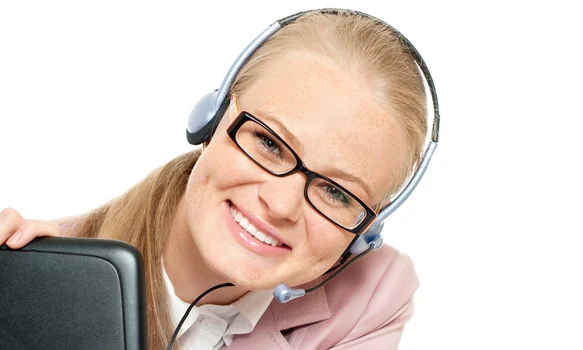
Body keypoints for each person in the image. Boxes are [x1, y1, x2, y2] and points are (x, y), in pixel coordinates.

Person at [0, 8, 432, 350]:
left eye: (336, 192)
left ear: (364, 234)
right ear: (211, 119)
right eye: (269, 143)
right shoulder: (41, 277)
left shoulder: (374, 294)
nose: (281, 205)